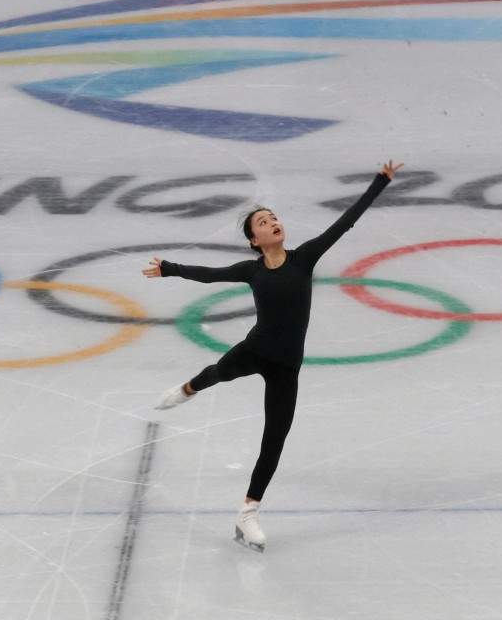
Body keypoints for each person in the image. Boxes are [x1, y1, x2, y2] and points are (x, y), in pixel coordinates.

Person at [142, 159, 403, 551]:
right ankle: (189, 388)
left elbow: (345, 222)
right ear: (254, 240)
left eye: (274, 217)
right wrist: (171, 269)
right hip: (254, 350)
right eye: (263, 222)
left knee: (274, 439)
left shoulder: (305, 257)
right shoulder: (252, 270)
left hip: (286, 366)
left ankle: (248, 513)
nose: (272, 222)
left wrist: (378, 183)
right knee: (218, 372)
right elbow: (210, 274)